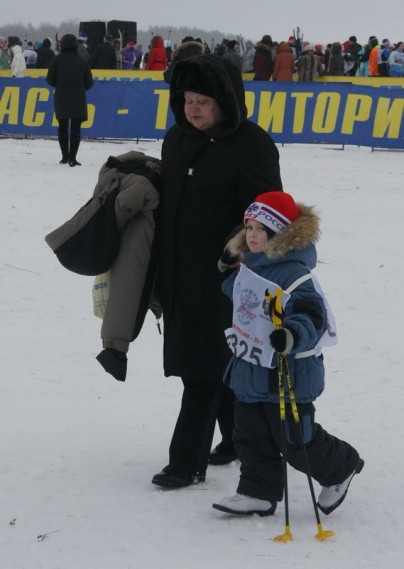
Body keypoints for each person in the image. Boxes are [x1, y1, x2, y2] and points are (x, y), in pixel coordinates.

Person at [151, 54, 283, 489]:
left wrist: (238, 249)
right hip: (177, 273)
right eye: (187, 99)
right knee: (215, 363)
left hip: (227, 281)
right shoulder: (176, 139)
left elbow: (267, 213)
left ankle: (185, 462)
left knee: (201, 371)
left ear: (225, 102)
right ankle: (234, 440)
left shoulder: (252, 144)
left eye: (203, 101)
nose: (193, 108)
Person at [211, 191, 364, 516]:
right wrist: (227, 271)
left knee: (294, 440)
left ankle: (341, 467)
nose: (252, 235)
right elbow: (243, 299)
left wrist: (292, 334)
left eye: (261, 229)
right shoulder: (250, 265)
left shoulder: (295, 273)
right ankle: (257, 492)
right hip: (252, 368)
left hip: (288, 372)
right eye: (249, 228)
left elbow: (312, 314)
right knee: (250, 435)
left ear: (279, 235)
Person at [46, 33, 94, 166]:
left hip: (61, 97)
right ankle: (73, 158)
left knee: (62, 128)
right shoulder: (82, 61)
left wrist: (59, 84)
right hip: (78, 98)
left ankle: (64, 157)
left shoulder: (56, 60)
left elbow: (50, 80)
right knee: (76, 129)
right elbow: (89, 83)